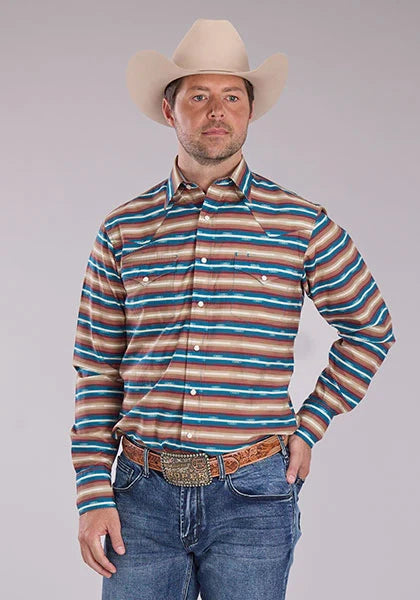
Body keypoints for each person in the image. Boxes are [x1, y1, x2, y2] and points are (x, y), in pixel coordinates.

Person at [70, 18, 396, 600]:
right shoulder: (124, 229)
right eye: (199, 96)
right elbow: (97, 369)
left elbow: (371, 328)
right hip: (141, 498)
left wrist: (312, 423)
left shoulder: (300, 223)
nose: (216, 111)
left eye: (232, 97)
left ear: (249, 112)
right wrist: (94, 490)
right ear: (170, 110)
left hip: (254, 495)